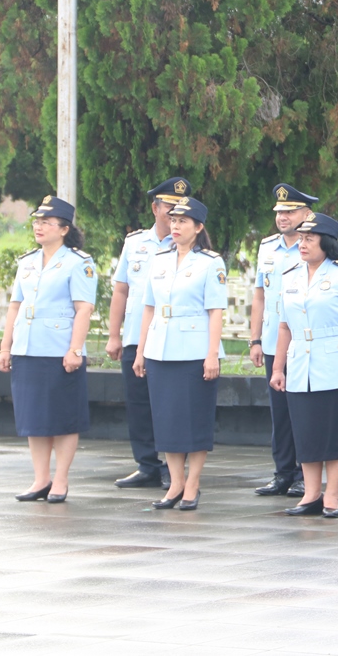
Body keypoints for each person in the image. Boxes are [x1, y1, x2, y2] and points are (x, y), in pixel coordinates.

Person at [269, 212, 338, 518]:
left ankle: (332, 495)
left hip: (336, 363)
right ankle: (311, 494)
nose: (303, 244)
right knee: (307, 432)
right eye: (301, 239)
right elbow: (284, 326)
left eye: (309, 239)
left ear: (326, 243)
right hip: (301, 365)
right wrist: (277, 368)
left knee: (335, 432)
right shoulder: (290, 276)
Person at [0, 196, 97, 503]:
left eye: (46, 222)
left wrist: (75, 349)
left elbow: (84, 309)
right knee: (34, 418)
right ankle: (41, 479)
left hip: (58, 350)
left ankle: (61, 480)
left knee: (63, 417)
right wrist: (6, 346)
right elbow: (15, 306)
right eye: (36, 222)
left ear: (64, 229)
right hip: (27, 347)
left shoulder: (78, 263)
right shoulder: (27, 262)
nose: (38, 227)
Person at [133, 197, 226, 512]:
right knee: (167, 420)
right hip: (160, 349)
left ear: (198, 227)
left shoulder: (210, 263)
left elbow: (215, 312)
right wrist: (142, 350)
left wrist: (212, 354)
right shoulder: (159, 259)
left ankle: (193, 483)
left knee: (194, 420)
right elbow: (149, 307)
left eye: (183, 221)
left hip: (194, 351)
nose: (175, 226)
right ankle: (175, 483)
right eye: (173, 221)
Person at [106, 177, 188, 490]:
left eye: (180, 209)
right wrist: (114, 335)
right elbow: (121, 290)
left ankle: (173, 466)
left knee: (170, 403)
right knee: (138, 404)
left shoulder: (189, 245)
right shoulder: (135, 243)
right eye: (169, 208)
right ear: (155, 208)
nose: (173, 215)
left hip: (171, 338)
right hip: (135, 337)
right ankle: (146, 464)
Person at [249, 183, 317, 499]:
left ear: (307, 213)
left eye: (290, 211)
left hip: (302, 341)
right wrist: (255, 339)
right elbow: (260, 296)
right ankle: (283, 472)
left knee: (303, 410)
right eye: (279, 212)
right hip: (274, 339)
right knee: (279, 412)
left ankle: (306, 474)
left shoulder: (314, 247)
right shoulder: (267, 248)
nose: (283, 217)